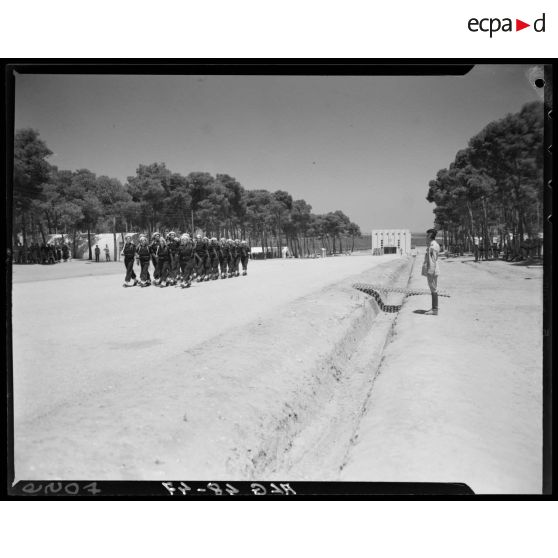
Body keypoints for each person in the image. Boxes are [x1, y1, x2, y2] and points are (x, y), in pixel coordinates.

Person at [421, 228, 440, 316]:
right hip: (433, 270)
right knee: (433, 289)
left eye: (427, 235)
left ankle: (435, 309)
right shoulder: (432, 245)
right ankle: (434, 308)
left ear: (430, 236)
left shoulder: (432, 247)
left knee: (433, 290)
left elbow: (432, 260)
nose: (426, 237)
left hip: (432, 271)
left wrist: (430, 272)